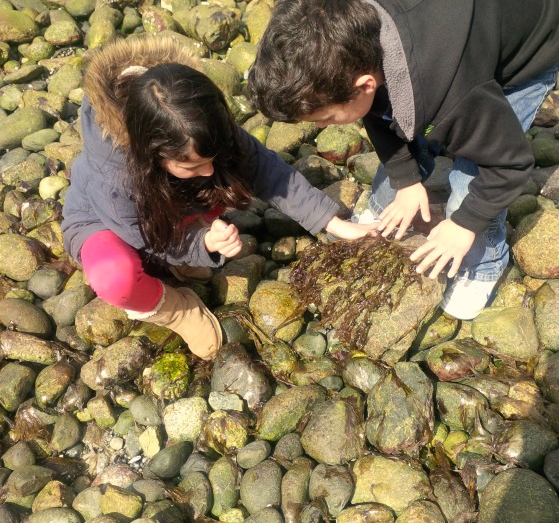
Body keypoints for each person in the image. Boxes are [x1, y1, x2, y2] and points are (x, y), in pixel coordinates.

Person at [247, 0, 559, 320]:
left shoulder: (456, 94)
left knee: (469, 179)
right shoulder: (350, 34)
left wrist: (463, 224)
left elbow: (511, 163)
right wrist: (406, 181)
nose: (325, 127)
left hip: (537, 31)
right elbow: (377, 113)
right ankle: (403, 190)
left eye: (325, 118)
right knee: (403, 150)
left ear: (364, 84)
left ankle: (485, 264)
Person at [61, 35, 374, 360]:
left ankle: (186, 249)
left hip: (171, 203)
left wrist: (334, 223)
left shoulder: (193, 115)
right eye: (192, 164)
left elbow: (269, 172)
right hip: (108, 224)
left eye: (209, 158)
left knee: (229, 174)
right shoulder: (115, 177)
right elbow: (150, 237)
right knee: (115, 278)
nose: (209, 171)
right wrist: (202, 244)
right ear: (152, 154)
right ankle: (173, 307)